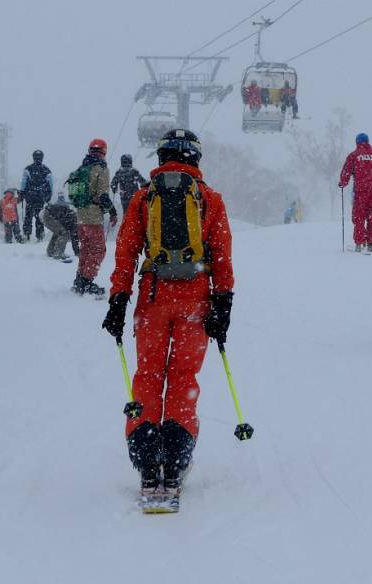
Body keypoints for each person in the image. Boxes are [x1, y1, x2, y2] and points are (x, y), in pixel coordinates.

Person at [101, 129, 234, 504]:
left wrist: (118, 298)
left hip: (153, 299)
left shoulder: (145, 198)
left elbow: (126, 252)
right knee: (182, 377)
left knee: (148, 374)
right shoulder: (209, 199)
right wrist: (223, 303)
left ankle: (146, 459)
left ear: (161, 158)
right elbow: (221, 255)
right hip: (195, 301)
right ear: (195, 158)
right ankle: (175, 460)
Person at [70, 139, 117, 296]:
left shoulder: (83, 166)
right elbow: (103, 194)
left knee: (86, 249)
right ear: (104, 151)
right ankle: (87, 282)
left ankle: (79, 280)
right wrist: (112, 211)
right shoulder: (101, 167)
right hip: (93, 215)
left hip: (80, 215)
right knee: (98, 250)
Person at [339, 133, 372, 252]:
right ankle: (371, 243)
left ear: (357, 142)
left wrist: (343, 182)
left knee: (359, 217)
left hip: (360, 192)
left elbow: (346, 171)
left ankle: (359, 243)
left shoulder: (354, 156)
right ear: (367, 141)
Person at [19, 150, 53, 241]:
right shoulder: (46, 170)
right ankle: (40, 236)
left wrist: (22, 193)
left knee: (28, 216)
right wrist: (48, 196)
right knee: (39, 217)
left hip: (29, 196)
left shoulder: (28, 169)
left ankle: (27, 234)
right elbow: (50, 184)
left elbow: (23, 182)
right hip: (40, 197)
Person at [42, 192, 79, 261]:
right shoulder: (75, 220)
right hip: (49, 216)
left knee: (59, 232)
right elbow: (74, 238)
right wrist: (77, 252)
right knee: (64, 233)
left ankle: (51, 251)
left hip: (47, 214)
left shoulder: (71, 216)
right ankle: (58, 254)